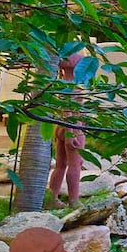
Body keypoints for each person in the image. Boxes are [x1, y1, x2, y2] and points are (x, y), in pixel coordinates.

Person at [47, 49, 86, 207]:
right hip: (72, 129)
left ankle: (51, 198)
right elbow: (69, 111)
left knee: (60, 165)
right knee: (75, 165)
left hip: (60, 128)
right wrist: (72, 133)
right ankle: (73, 200)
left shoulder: (61, 83)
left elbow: (63, 111)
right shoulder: (73, 86)